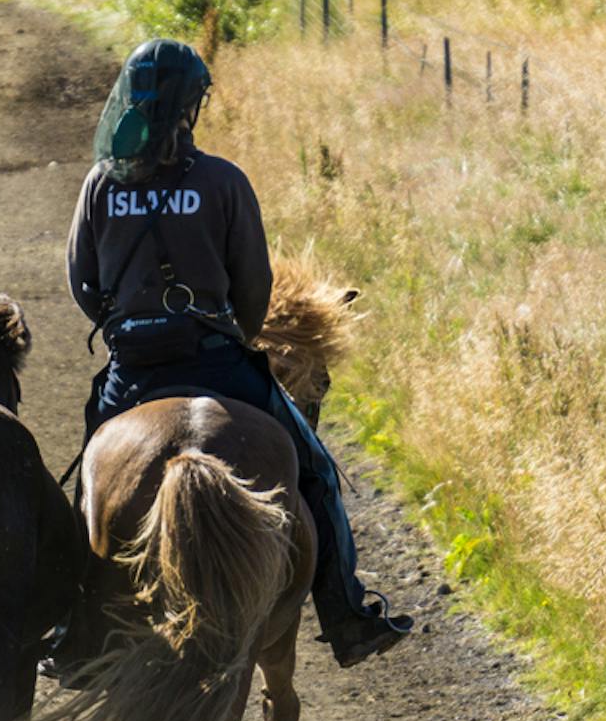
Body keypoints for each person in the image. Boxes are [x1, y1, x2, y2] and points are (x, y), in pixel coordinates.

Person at [63, 38, 410, 668]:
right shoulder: (222, 181)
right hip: (217, 361)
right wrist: (239, 333)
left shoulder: (100, 183)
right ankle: (347, 612)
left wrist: (123, 328)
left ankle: (75, 632)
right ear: (190, 106)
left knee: (88, 483)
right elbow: (254, 286)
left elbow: (81, 282)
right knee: (317, 472)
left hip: (132, 370)